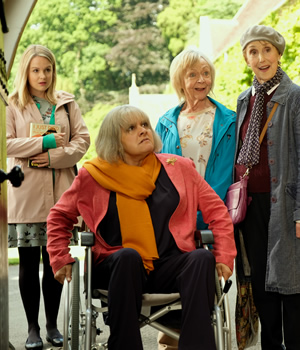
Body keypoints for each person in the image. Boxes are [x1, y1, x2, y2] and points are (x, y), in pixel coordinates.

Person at [46, 105, 236, 350]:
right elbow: (59, 216)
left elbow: (218, 212)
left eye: (145, 125)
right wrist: (60, 257)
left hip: (169, 265)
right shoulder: (93, 175)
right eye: (132, 128)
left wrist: (224, 255)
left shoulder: (180, 168)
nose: (143, 131)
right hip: (116, 268)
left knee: (201, 258)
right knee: (128, 256)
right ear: (114, 138)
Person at [6, 44, 90, 349]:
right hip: (25, 195)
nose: (43, 76)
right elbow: (6, 144)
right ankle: (32, 329)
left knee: (56, 261)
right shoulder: (11, 104)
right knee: (29, 263)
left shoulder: (67, 103)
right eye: (36, 70)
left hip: (61, 196)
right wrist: (45, 142)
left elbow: (82, 140)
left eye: (48, 69)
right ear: (25, 72)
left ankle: (53, 326)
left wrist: (55, 157)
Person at [155, 47, 236, 349]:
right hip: (175, 214)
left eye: (206, 73)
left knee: (205, 279)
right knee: (172, 274)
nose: (201, 80)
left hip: (211, 210)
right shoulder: (165, 121)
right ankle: (171, 338)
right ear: (180, 80)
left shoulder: (227, 119)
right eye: (193, 75)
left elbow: (226, 171)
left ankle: (194, 337)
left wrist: (205, 209)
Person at [234, 25, 300, 350]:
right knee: (261, 283)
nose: (261, 58)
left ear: (278, 53)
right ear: (246, 58)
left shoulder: (295, 96)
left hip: (285, 205)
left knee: (292, 284)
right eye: (253, 52)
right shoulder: (244, 99)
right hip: (252, 205)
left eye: (267, 50)